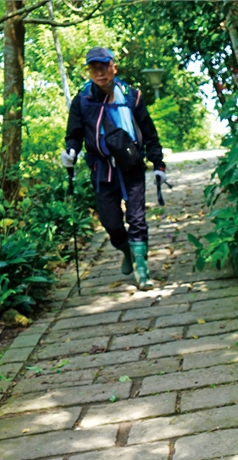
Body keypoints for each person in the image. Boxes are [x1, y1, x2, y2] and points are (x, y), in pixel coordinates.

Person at [61, 46, 166, 289]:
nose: (99, 73)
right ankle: (127, 251)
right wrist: (71, 153)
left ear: (114, 67)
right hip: (102, 170)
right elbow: (74, 134)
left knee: (137, 219)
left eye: (104, 67)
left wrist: (158, 164)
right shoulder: (83, 100)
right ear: (89, 72)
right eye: (94, 68)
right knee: (112, 224)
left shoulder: (131, 96)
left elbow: (149, 133)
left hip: (132, 166)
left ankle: (142, 270)